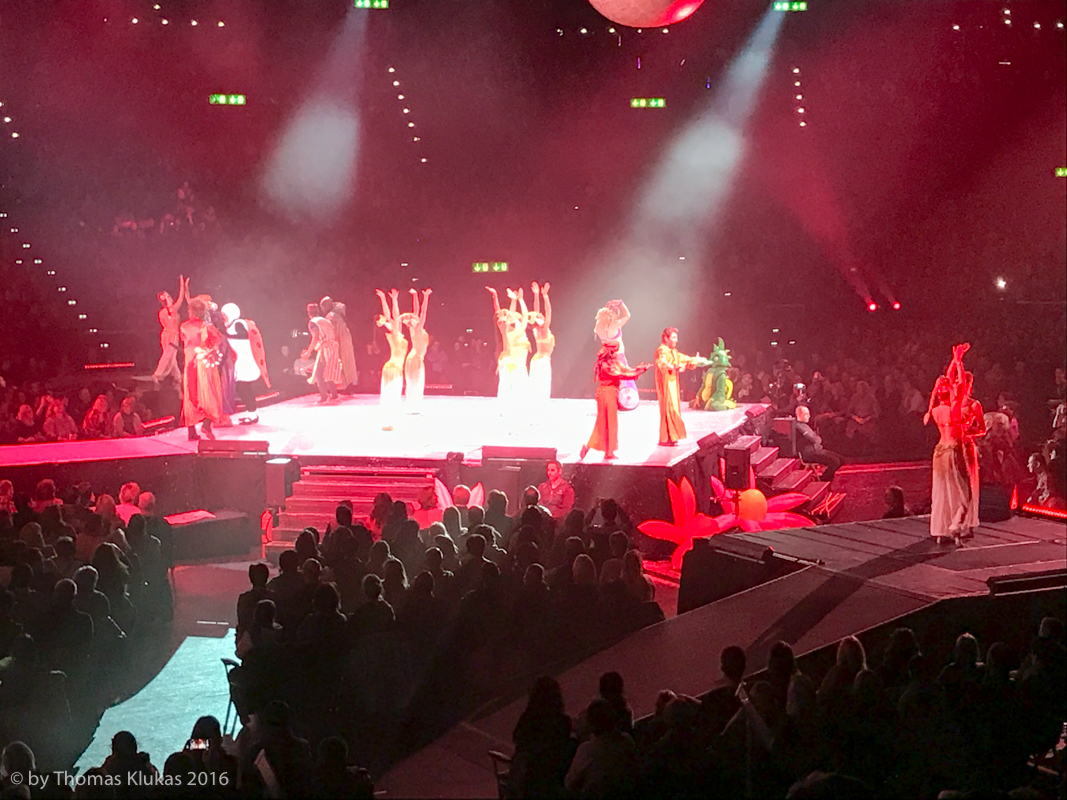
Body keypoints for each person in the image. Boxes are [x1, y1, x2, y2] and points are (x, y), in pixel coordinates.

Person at [580, 341, 651, 461]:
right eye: (615, 351)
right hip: (606, 393)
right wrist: (639, 372)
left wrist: (639, 369)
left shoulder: (614, 363)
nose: (616, 354)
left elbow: (626, 370)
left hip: (611, 393)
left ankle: (605, 450)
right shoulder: (605, 366)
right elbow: (622, 375)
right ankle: (600, 449)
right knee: (607, 423)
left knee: (607, 423)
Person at [180, 296, 224, 440]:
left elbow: (184, 339)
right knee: (208, 393)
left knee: (191, 394)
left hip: (190, 363)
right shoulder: (206, 326)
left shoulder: (184, 326)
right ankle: (206, 424)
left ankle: (191, 431)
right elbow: (218, 339)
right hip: (204, 363)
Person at [653, 327, 702, 446]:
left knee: (674, 409)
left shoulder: (673, 351)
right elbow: (663, 363)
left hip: (673, 384)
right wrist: (675, 366)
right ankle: (666, 438)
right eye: (674, 337)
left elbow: (683, 358)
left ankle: (673, 436)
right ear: (666, 338)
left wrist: (694, 360)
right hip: (665, 384)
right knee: (668, 409)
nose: (676, 340)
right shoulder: (661, 350)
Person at [222, 302, 271, 422]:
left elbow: (243, 338)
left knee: (243, 388)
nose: (223, 318)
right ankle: (251, 413)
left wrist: (224, 336)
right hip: (241, 361)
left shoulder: (238, 324)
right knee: (244, 388)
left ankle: (252, 414)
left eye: (225, 315)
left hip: (246, 362)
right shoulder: (233, 325)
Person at [486, 286, 531, 404]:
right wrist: (515, 300)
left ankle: (510, 402)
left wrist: (515, 300)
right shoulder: (504, 325)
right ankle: (509, 402)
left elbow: (515, 314)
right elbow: (503, 312)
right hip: (509, 356)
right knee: (508, 383)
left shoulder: (514, 328)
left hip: (513, 357)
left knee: (509, 383)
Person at [594, 299, 638, 411]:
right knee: (624, 378)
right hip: (618, 356)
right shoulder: (614, 326)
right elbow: (627, 316)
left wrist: (607, 308)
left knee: (610, 380)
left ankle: (611, 401)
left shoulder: (599, 327)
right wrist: (621, 303)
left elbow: (604, 317)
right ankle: (625, 402)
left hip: (606, 359)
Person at [375, 288, 409, 427]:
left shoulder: (397, 335)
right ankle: (388, 422)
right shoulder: (394, 336)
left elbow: (393, 318)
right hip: (393, 368)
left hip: (394, 368)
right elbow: (393, 316)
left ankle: (389, 421)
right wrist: (390, 299)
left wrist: (388, 299)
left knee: (392, 396)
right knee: (391, 396)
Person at [151, 276, 187, 386]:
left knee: (171, 356)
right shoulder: (171, 309)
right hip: (171, 335)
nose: (170, 297)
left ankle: (177, 376)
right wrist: (182, 285)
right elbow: (181, 298)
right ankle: (157, 374)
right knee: (168, 355)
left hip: (166, 334)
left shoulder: (163, 311)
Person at [303, 303, 342, 404]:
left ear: (308, 313)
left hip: (326, 349)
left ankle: (323, 397)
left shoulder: (313, 322)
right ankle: (334, 395)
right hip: (332, 348)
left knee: (319, 373)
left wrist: (308, 352)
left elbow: (315, 337)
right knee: (329, 372)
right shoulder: (325, 320)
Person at [402, 287, 433, 411]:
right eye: (414, 317)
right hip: (415, 358)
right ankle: (413, 406)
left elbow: (416, 310)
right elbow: (423, 312)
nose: (416, 316)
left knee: (414, 382)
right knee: (415, 382)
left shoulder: (415, 327)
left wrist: (415, 295)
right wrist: (426, 297)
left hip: (415, 357)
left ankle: (412, 405)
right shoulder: (417, 328)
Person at [795, 405, 843, 483]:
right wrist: (816, 438)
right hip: (810, 453)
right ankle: (825, 479)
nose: (809, 416)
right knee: (835, 461)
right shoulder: (798, 426)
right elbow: (813, 439)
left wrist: (816, 438)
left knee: (841, 460)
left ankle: (826, 477)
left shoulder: (805, 425)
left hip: (818, 450)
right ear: (799, 414)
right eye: (806, 414)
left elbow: (817, 438)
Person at [320, 296, 358, 391]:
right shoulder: (338, 313)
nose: (322, 309)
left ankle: (342, 387)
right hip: (346, 340)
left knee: (339, 364)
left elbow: (330, 331)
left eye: (323, 307)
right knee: (348, 362)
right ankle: (349, 387)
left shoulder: (330, 316)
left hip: (338, 343)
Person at [527, 281, 555, 401]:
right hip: (543, 361)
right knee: (543, 389)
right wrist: (545, 296)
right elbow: (548, 312)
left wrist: (536, 295)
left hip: (536, 360)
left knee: (535, 388)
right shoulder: (544, 329)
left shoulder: (536, 330)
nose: (541, 315)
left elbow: (536, 311)